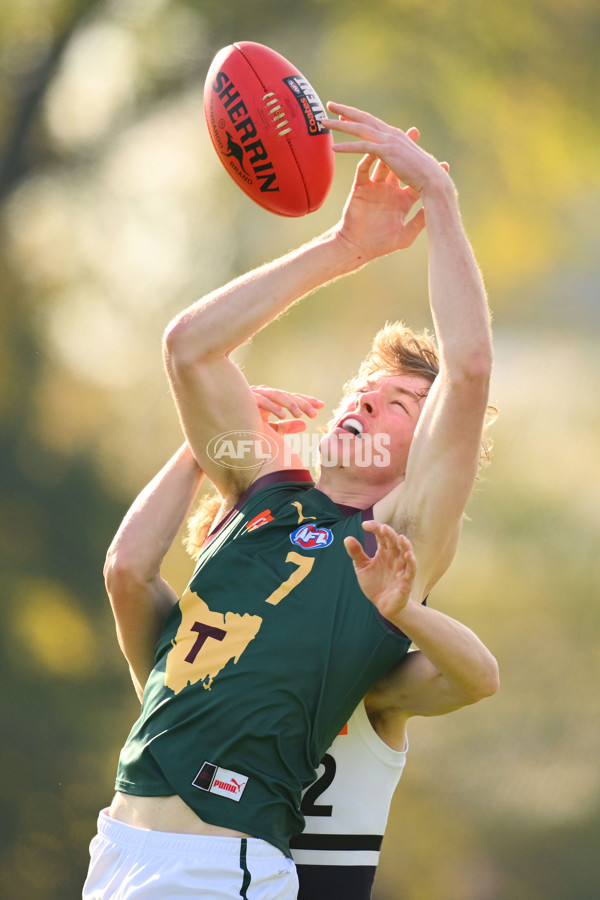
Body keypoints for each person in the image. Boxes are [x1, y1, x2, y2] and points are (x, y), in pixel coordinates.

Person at [84, 101, 494, 899]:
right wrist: (345, 248)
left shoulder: (392, 539)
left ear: (426, 452)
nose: (369, 404)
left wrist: (438, 202)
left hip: (219, 869)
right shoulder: (263, 493)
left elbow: (471, 369)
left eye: (400, 406)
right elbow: (188, 349)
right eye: (364, 390)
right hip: (118, 852)